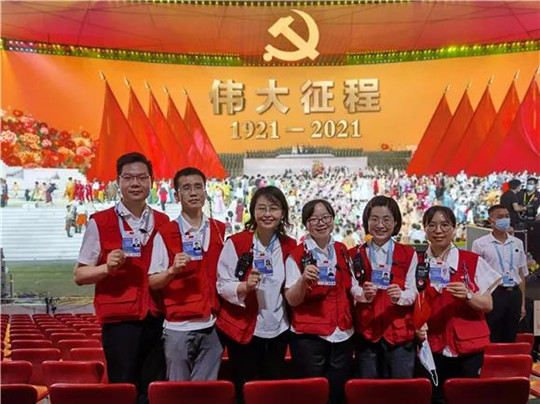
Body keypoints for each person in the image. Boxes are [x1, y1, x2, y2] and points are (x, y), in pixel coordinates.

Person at [74, 152, 170, 404]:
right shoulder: (100, 222)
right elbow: (80, 275)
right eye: (128, 177)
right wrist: (106, 268)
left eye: (142, 177)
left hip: (156, 318)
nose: (135, 183)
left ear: (151, 182)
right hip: (120, 323)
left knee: (153, 391)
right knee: (123, 390)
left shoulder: (163, 222)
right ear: (118, 182)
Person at [216, 186, 296, 402]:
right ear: (253, 211)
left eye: (273, 208)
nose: (267, 214)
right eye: (261, 208)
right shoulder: (237, 243)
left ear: (283, 213)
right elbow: (222, 284)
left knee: (272, 389)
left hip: (278, 328)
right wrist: (244, 287)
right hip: (243, 328)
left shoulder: (289, 245)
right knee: (246, 389)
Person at [415, 206, 500, 404]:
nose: (438, 230)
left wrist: (468, 295)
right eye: (432, 225)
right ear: (425, 229)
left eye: (445, 225)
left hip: (469, 347)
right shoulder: (417, 264)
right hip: (432, 347)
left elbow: (488, 304)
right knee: (435, 399)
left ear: (454, 228)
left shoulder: (472, 261)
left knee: (468, 398)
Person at [148, 167, 225, 381]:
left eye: (198, 187)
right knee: (178, 391)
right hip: (178, 328)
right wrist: (172, 271)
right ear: (177, 195)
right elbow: (152, 281)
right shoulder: (165, 234)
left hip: (213, 326)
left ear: (205, 192)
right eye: (187, 188)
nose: (193, 192)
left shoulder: (219, 229)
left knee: (206, 392)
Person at [285, 199, 355, 404]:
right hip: (309, 337)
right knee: (312, 394)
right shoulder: (297, 255)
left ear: (333, 219)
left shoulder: (341, 250)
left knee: (338, 395)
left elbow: (350, 286)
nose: (321, 223)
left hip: (342, 334)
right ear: (306, 224)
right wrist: (303, 280)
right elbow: (292, 300)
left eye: (326, 217)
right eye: (314, 219)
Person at [350, 196, 418, 380]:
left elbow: (413, 291)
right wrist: (363, 295)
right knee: (368, 390)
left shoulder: (408, 253)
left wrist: (400, 296)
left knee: (400, 389)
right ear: (367, 222)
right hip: (367, 333)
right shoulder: (355, 254)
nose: (380, 225)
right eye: (374, 219)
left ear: (395, 222)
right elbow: (352, 287)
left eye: (386, 219)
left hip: (400, 333)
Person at [472, 204, 527, 343]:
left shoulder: (517, 243)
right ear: (491, 220)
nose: (505, 220)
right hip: (493, 294)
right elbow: (476, 275)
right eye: (500, 217)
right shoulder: (480, 244)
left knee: (511, 335)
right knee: (492, 335)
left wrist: (522, 303)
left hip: (514, 293)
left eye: (507, 216)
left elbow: (521, 274)